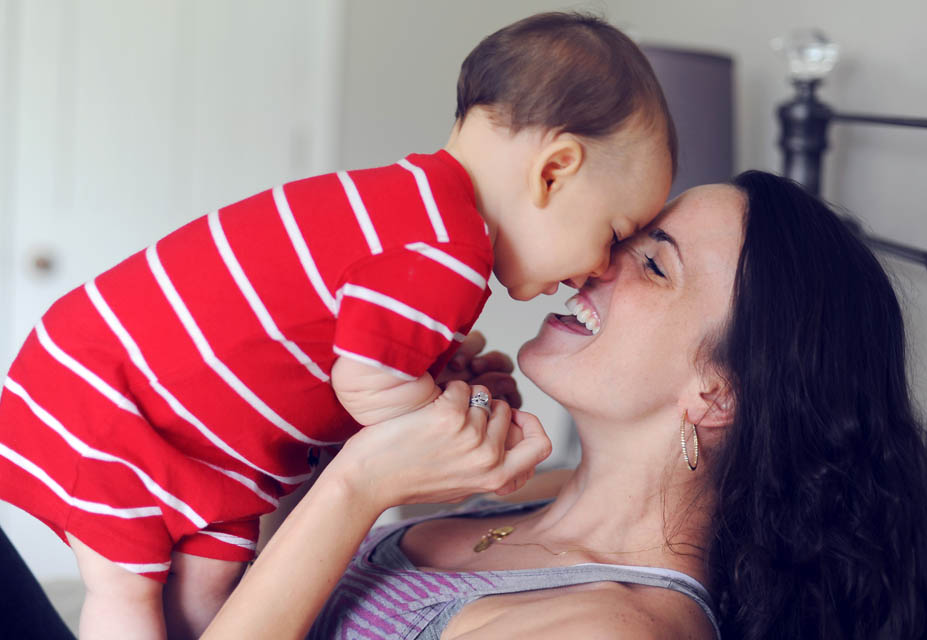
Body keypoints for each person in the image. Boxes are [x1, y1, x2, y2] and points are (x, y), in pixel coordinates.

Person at [0, 11, 677, 639]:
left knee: (210, 599)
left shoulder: (407, 208)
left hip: (191, 438)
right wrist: (447, 425)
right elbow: (366, 380)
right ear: (555, 171)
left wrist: (431, 384)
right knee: (125, 586)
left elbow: (359, 365)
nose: (599, 268)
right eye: (615, 233)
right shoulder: (450, 249)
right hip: (117, 396)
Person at [204, 171, 927, 640]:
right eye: (625, 240)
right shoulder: (520, 490)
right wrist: (354, 433)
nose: (595, 264)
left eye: (654, 265)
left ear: (718, 393)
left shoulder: (613, 628)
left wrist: (359, 487)